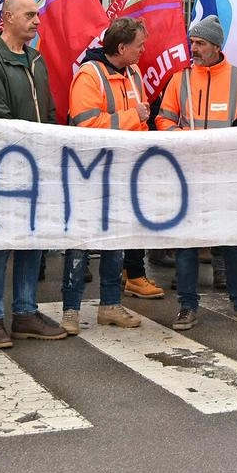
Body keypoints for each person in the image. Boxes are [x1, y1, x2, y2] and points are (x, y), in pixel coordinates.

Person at [155, 15, 237, 330]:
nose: (194, 48)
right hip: (189, 175)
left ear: (216, 46)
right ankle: (186, 306)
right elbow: (163, 119)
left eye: (200, 43)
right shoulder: (180, 80)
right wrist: (181, 136)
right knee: (187, 243)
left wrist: (236, 136)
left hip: (226, 176)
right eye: (192, 42)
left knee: (233, 241)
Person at [0, 0, 67, 347]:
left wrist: (50, 146)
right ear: (7, 17)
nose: (37, 21)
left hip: (38, 165)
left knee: (32, 239)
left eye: (38, 15)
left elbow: (50, 111)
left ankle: (25, 311)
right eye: (30, 15)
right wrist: (33, 147)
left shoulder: (36, 59)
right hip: (4, 170)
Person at [58, 17, 155, 334]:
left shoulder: (134, 73)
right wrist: (132, 117)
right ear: (122, 47)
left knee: (117, 240)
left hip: (123, 171)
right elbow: (86, 125)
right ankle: (70, 310)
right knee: (81, 242)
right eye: (139, 45)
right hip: (90, 173)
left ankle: (110, 304)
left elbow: (137, 124)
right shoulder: (90, 75)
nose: (143, 51)